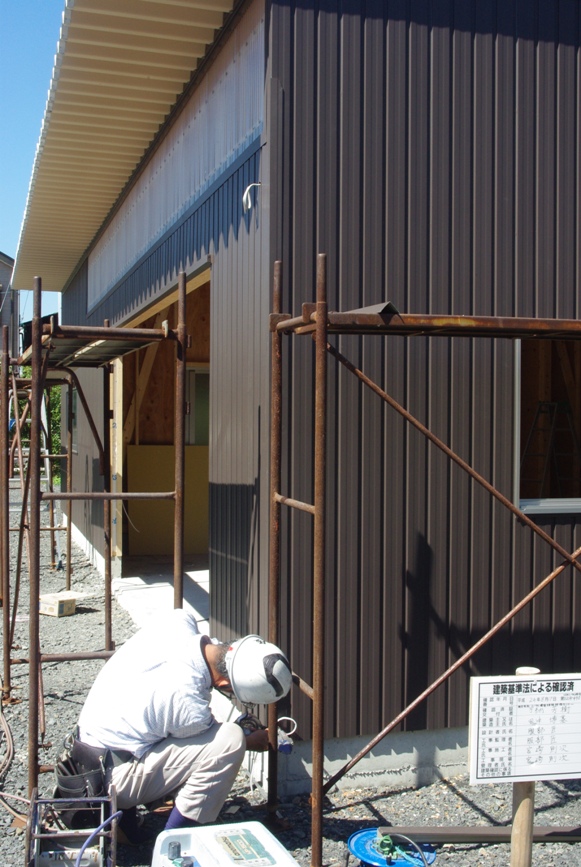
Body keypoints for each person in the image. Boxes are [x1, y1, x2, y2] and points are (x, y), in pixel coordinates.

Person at [75, 608, 292, 842]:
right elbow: (213, 745)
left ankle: (127, 822)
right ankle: (175, 842)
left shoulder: (179, 621)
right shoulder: (189, 705)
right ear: (224, 684)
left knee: (167, 729)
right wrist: (249, 740)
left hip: (86, 751)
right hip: (106, 780)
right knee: (231, 740)